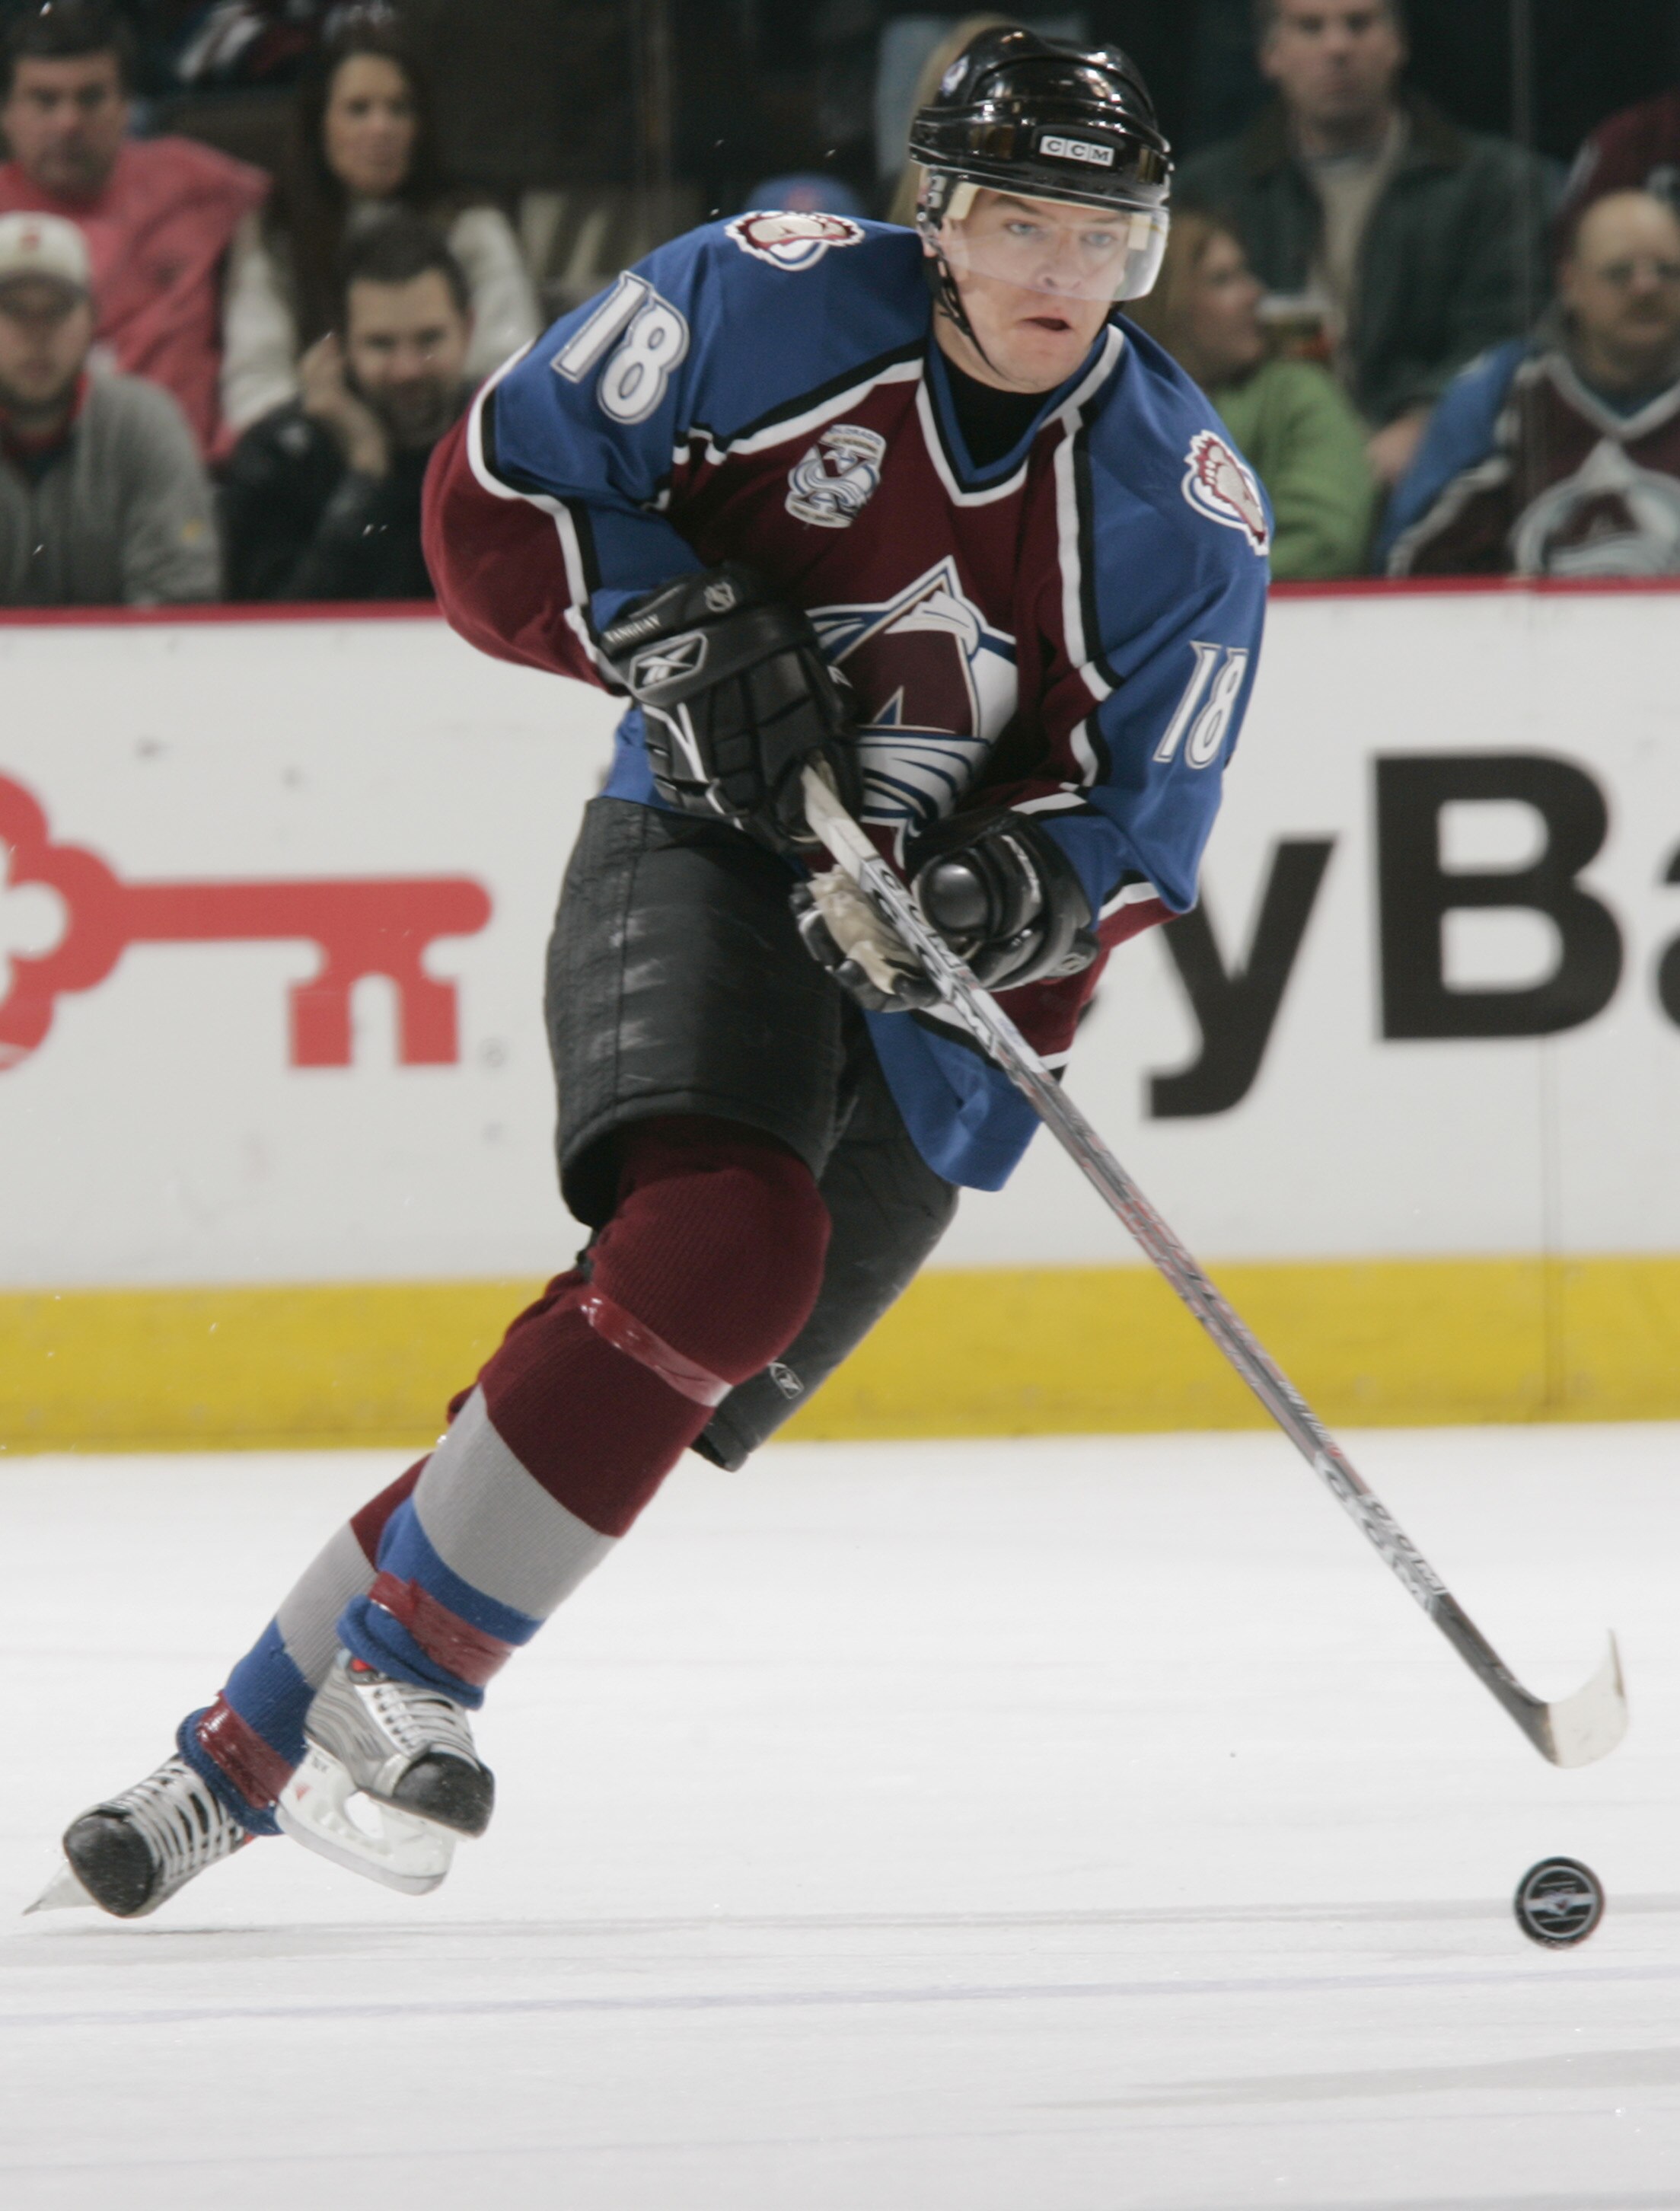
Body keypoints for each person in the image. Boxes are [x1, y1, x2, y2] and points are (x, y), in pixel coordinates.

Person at [35, 28, 1269, 1920]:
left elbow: (1142, 830)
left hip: (949, 1013)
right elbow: (491, 493)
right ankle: (419, 1675)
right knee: (717, 1249)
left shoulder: (1181, 508)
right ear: (932, 214)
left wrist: (1006, 891)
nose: (1057, 277)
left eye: (1104, 238)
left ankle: (246, 1749)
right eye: (1020, 222)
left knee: (619, 1358)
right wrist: (655, 611)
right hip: (706, 846)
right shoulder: (755, 303)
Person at [1177, 0, 1550, 489]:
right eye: (1311, 28)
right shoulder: (1207, 192)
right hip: (1256, 461)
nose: (1338, 47)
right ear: (1270, 54)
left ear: (1399, 43)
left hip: (1445, 460)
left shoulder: (1494, 185)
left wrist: (1427, 421)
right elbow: (1172, 340)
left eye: (1360, 24)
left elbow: (1504, 332)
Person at [218, 11, 537, 437]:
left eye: (399, 109)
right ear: (320, 125)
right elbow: (253, 390)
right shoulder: (276, 234)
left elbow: (512, 375)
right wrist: (329, 439)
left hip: (454, 451)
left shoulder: (474, 227)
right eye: (358, 109)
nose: (381, 127)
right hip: (323, 456)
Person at [0, 0, 268, 458]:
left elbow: (307, 204)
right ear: (6, 112)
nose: (68, 123)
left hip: (197, 482)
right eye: (45, 100)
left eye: (91, 98)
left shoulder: (196, 182)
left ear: (127, 105)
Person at [1383, 190, 1680, 577]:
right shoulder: (1499, 391)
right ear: (1570, 282)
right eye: (1620, 272)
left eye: (1668, 271)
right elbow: (1410, 561)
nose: (1646, 287)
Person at [221, 216, 472, 601]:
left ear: (468, 330)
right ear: (340, 345)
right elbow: (268, 634)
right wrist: (365, 474)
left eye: (429, 339)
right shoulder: (277, 459)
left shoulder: (511, 448)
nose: (407, 369)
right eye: (381, 345)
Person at [1127, 209, 1376, 578]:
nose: (1255, 293)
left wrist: (1186, 591)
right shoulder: (1113, 405)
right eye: (1224, 279)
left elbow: (1323, 541)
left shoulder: (1298, 394)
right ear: (1166, 299)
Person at [0, 209, 218, 606]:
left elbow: (180, 595)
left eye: (58, 309)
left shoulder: (146, 421)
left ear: (94, 320)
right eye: (13, 310)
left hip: (128, 667)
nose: (37, 333)